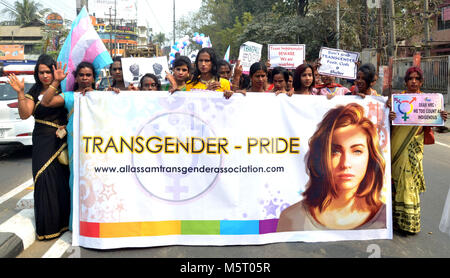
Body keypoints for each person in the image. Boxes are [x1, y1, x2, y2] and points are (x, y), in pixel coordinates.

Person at [277, 103, 386, 231]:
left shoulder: (384, 219)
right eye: (335, 151)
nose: (345, 164)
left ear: (371, 157)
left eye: (357, 151)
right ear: (321, 156)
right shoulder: (292, 218)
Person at [7, 54, 70, 240]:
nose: (44, 75)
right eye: (41, 72)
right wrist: (19, 92)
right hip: (42, 140)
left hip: (62, 139)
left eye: (48, 72)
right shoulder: (33, 92)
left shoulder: (64, 88)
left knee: (61, 180)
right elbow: (25, 114)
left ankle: (64, 223)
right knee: (43, 179)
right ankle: (48, 227)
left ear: (53, 71)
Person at [41, 61, 108, 231]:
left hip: (99, 148)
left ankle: (101, 222)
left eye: (88, 75)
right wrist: (56, 82)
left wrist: (114, 95)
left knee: (100, 183)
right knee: (77, 183)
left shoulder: (102, 96)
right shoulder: (70, 96)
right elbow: (46, 103)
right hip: (76, 148)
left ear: (94, 78)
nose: (85, 78)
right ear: (76, 77)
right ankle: (78, 227)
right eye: (81, 75)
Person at [389, 66, 448, 235]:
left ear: (421, 82)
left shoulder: (428, 102)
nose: (413, 81)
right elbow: (385, 125)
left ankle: (409, 223)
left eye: (417, 79)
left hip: (414, 148)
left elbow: (433, 126)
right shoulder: (397, 100)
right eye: (410, 78)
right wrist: (389, 116)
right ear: (406, 81)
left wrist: (440, 118)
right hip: (395, 147)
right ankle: (394, 221)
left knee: (409, 182)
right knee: (396, 182)